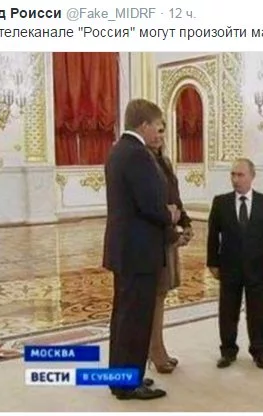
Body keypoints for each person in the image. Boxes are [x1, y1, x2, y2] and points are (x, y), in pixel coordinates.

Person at [102, 99, 179, 400]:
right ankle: (127, 384)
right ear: (144, 125)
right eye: (157, 127)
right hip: (139, 251)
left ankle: (122, 377)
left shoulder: (119, 150)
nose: (160, 133)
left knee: (124, 317)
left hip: (126, 250)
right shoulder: (137, 155)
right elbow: (149, 204)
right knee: (134, 319)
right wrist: (169, 214)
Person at [207, 158, 263, 370]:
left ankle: (259, 351)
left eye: (240, 175)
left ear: (252, 176)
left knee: (259, 312)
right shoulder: (220, 202)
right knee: (227, 312)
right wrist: (212, 262)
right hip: (228, 266)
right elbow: (213, 235)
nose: (235, 179)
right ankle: (227, 351)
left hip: (258, 268)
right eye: (233, 174)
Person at [146, 121, 194, 373]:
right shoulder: (143, 163)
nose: (159, 136)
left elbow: (174, 198)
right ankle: (155, 351)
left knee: (161, 294)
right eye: (155, 130)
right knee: (156, 294)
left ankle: (157, 348)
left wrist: (185, 222)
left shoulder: (164, 162)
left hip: (167, 235)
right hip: (156, 237)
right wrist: (173, 233)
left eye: (162, 131)